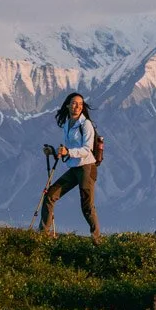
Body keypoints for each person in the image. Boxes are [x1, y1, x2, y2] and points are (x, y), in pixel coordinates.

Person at [39, 92, 101, 242]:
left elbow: (87, 150)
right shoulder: (67, 124)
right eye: (74, 103)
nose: (77, 106)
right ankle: (42, 235)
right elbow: (69, 148)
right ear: (67, 105)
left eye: (80, 104)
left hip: (87, 168)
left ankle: (97, 238)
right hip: (74, 168)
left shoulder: (86, 124)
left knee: (87, 205)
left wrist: (68, 152)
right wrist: (54, 152)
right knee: (50, 195)